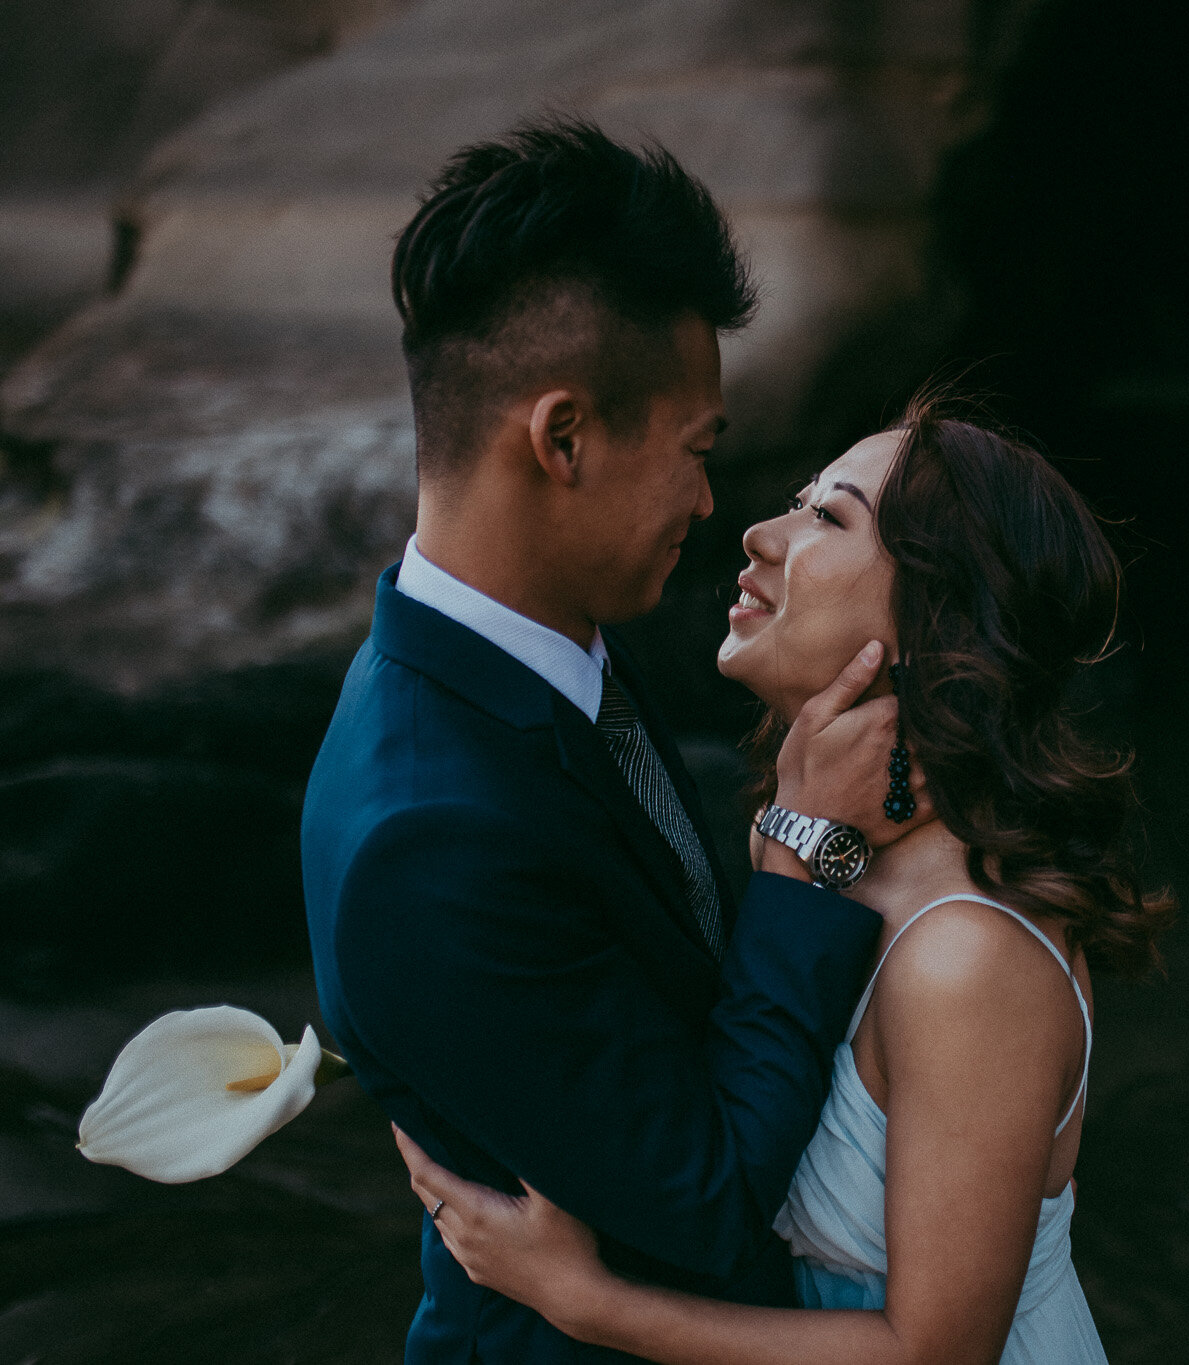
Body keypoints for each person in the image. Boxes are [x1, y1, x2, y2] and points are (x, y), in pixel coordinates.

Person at [300, 119, 921, 1364]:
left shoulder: (557, 639)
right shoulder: (431, 838)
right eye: (698, 453)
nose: (711, 504)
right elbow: (711, 1196)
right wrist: (808, 854)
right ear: (563, 437)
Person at [395, 398, 1177, 1364]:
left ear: (936, 622)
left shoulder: (967, 957)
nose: (761, 534)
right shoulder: (825, 862)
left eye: (829, 517)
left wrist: (584, 1299)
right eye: (800, 503)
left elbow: (936, 1352)